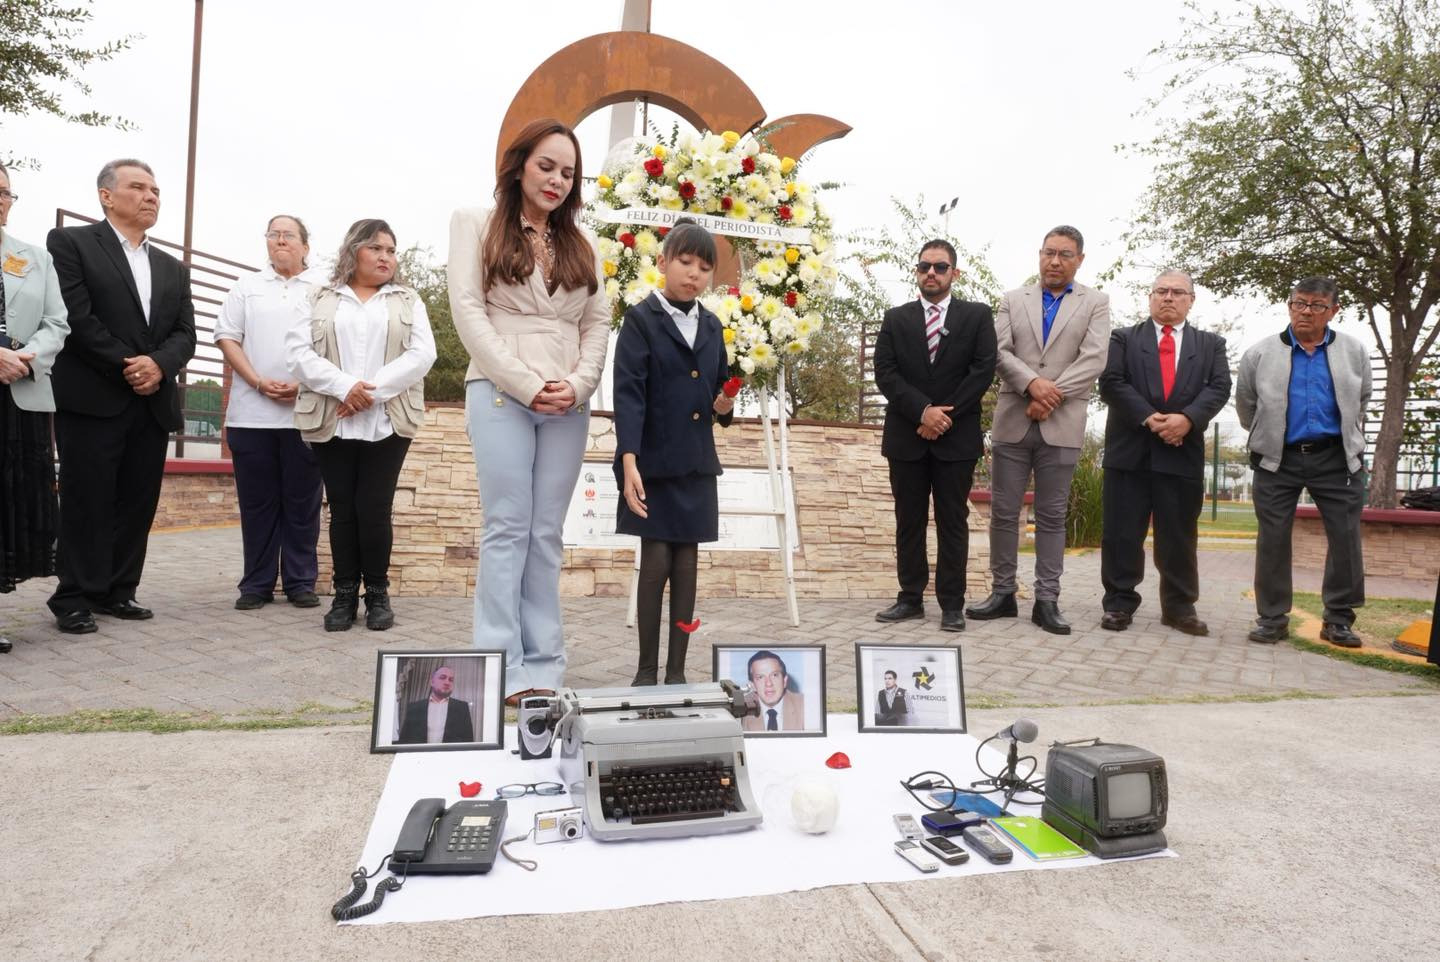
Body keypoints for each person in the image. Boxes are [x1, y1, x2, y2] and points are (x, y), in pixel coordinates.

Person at [448, 119, 609, 704]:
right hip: (500, 393)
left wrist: (580, 384)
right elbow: (468, 311)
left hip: (568, 402)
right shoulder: (475, 222)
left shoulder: (585, 242)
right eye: (546, 166)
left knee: (545, 534)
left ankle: (543, 665)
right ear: (519, 166)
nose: (557, 180)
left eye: (568, 172)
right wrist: (524, 383)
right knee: (507, 528)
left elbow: (597, 323)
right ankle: (499, 665)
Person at [46, 159, 197, 634]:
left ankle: (118, 589)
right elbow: (76, 317)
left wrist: (159, 365)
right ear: (106, 196)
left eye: (156, 190)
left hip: (151, 402)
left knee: (137, 501)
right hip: (93, 397)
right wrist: (131, 364)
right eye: (138, 187)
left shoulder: (172, 267)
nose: (151, 196)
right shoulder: (70, 244)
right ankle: (74, 595)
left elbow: (185, 333)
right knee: (86, 499)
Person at [286, 219, 435, 631]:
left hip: (387, 420)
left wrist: (370, 392)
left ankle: (378, 595)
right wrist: (344, 387)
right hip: (332, 419)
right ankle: (345, 594)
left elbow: (422, 354)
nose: (386, 257)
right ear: (353, 252)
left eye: (391, 250)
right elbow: (298, 353)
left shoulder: (408, 300)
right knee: (343, 510)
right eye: (376, 248)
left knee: (375, 508)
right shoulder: (318, 296)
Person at [969, 226, 1110, 635]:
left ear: (1079, 259)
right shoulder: (1013, 299)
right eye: (1049, 252)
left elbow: (1094, 358)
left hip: (1062, 423)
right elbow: (998, 352)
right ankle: (1002, 593)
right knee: (1003, 512)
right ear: (1039, 254)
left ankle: (1047, 600)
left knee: (1051, 515)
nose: (1055, 261)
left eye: (1065, 254)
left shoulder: (1096, 303)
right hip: (1013, 419)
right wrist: (1031, 384)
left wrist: (1048, 396)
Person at [612, 220, 735, 686]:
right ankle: (646, 671)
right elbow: (628, 395)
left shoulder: (713, 325)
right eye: (685, 262)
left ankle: (677, 672)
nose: (694, 273)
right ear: (663, 263)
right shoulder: (640, 320)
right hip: (652, 464)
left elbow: (717, 390)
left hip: (696, 464)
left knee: (687, 567)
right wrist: (629, 460)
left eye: (704, 267)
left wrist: (724, 405)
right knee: (656, 563)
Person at [1236, 277, 1370, 648]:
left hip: (1336, 459)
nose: (1306, 312)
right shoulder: (1259, 353)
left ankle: (1338, 619)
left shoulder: (1354, 351)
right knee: (1273, 540)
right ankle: (1272, 619)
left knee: (1345, 538)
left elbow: (1361, 399)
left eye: (1316, 305)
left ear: (1333, 311)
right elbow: (1247, 406)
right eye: (1299, 303)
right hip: (1278, 460)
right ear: (1290, 305)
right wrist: (1268, 435)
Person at [872, 239, 997, 631]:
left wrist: (942, 415)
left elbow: (982, 370)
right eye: (924, 266)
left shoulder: (977, 316)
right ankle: (910, 598)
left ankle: (951, 604)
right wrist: (922, 411)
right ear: (917, 271)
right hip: (906, 435)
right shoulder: (896, 318)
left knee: (952, 521)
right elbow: (885, 372)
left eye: (940, 267)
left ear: (953, 273)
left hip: (956, 438)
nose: (931, 273)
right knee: (908, 521)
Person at [1098, 270, 1231, 635]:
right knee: (1122, 533)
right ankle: (1119, 603)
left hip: (1181, 452)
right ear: (1150, 297)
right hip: (1130, 452)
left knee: (1179, 535)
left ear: (1191, 300)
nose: (1168, 297)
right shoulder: (1123, 338)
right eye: (1161, 291)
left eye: (1177, 292)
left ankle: (1179, 607)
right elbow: (1111, 382)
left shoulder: (1211, 344)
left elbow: (1220, 387)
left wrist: (1187, 419)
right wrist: (1149, 418)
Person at [214, 216, 323, 611]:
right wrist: (257, 381)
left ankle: (300, 582)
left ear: (305, 246)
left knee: (303, 503)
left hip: (305, 414)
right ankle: (256, 584)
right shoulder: (247, 287)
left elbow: (332, 346)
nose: (280, 240)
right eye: (273, 234)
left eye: (288, 235)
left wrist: (304, 385)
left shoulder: (323, 289)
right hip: (251, 416)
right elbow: (227, 337)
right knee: (257, 505)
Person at [0, 163, 70, 654]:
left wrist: (25, 357)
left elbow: (56, 322)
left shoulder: (34, 257)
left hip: (19, 395)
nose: (0, 199)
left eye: (6, 192)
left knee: (7, 504)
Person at [396, 665, 475, 744]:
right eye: (442, 677)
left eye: (451, 680)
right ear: (432, 682)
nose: (447, 682)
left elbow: (468, 742)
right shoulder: (414, 708)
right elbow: (404, 741)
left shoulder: (462, 708)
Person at [740, 650, 806, 732]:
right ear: (752, 685)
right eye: (760, 677)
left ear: (784, 681)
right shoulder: (741, 710)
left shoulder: (805, 705)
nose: (768, 683)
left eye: (774, 675)